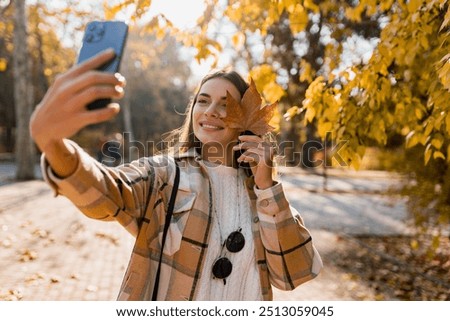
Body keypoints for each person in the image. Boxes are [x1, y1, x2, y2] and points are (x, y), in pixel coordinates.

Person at [30, 49, 322, 301]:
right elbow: (107, 193)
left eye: (226, 104)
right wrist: (54, 146)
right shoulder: (164, 175)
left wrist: (267, 187)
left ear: (246, 120)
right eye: (203, 100)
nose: (211, 111)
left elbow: (292, 274)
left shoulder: (262, 193)